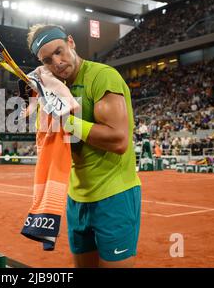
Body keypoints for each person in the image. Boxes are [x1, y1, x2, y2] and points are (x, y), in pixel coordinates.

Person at [25, 24, 141, 268]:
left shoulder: (102, 76)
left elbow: (119, 140)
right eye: (47, 60)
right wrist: (43, 103)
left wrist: (66, 120)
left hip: (114, 195)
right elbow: (50, 138)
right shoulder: (53, 89)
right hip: (75, 197)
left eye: (59, 51)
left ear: (71, 42)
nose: (56, 62)